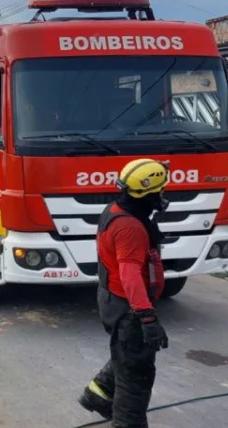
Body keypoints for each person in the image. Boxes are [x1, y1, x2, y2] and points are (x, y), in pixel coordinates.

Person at [78, 158, 171, 428]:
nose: (163, 195)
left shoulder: (117, 209)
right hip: (128, 308)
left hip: (113, 300)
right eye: (161, 190)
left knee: (127, 354)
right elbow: (130, 274)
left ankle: (97, 395)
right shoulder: (130, 227)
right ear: (150, 194)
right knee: (137, 375)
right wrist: (147, 317)